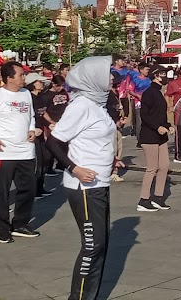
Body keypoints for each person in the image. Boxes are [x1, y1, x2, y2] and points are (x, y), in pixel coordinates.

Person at [46, 56, 122, 300]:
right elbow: (54, 141)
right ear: (93, 78)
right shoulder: (81, 105)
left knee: (101, 245)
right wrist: (74, 167)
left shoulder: (96, 103)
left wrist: (111, 158)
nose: (112, 77)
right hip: (84, 185)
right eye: (108, 73)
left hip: (99, 182)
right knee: (93, 246)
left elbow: (95, 138)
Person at [0, 61, 40, 244]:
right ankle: (2, 228)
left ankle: (20, 224)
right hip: (4, 153)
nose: (24, 78)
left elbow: (31, 115)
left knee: (28, 190)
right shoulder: (0, 95)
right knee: (3, 194)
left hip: (26, 151)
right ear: (9, 78)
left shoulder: (26, 94)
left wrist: (32, 128)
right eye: (21, 75)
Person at [137, 65, 174, 212]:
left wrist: (167, 125)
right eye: (162, 73)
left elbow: (160, 115)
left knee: (164, 166)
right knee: (152, 168)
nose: (165, 76)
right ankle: (143, 199)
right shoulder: (149, 93)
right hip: (149, 135)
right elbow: (145, 115)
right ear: (155, 75)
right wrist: (157, 127)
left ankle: (158, 197)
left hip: (161, 136)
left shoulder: (159, 92)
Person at [25, 72, 53, 197]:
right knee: (36, 163)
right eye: (39, 81)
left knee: (43, 159)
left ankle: (40, 188)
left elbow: (43, 113)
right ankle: (34, 190)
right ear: (32, 84)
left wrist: (51, 123)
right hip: (33, 134)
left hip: (41, 132)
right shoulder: (28, 97)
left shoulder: (41, 97)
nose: (41, 83)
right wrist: (31, 129)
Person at [106, 73, 126, 182]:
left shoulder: (115, 92)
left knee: (119, 147)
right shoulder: (107, 94)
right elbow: (109, 109)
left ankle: (115, 169)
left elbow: (119, 107)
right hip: (111, 123)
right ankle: (111, 171)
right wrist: (116, 120)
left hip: (118, 122)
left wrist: (122, 117)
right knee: (113, 148)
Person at [129, 62, 151, 142]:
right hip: (138, 102)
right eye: (146, 70)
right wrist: (138, 95)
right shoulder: (135, 79)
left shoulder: (149, 80)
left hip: (148, 102)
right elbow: (130, 90)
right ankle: (139, 139)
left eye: (148, 70)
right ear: (141, 70)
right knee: (139, 120)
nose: (147, 71)